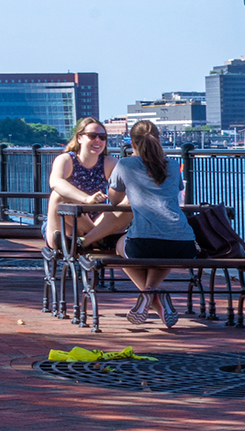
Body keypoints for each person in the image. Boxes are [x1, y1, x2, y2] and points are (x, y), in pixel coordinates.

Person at [103, 120, 197, 327]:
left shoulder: (125, 164)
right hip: (184, 244)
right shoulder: (173, 165)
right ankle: (153, 294)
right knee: (164, 251)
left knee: (120, 245)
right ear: (159, 139)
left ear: (132, 143)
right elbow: (176, 192)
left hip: (143, 245)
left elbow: (114, 200)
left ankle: (150, 294)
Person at [44, 118, 120, 249]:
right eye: (92, 136)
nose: (98, 140)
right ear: (79, 138)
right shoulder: (66, 160)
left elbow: (124, 187)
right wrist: (87, 199)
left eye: (102, 137)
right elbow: (55, 182)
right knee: (57, 195)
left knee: (126, 203)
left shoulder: (109, 162)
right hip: (65, 222)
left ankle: (93, 236)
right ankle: (99, 238)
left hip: (97, 220)